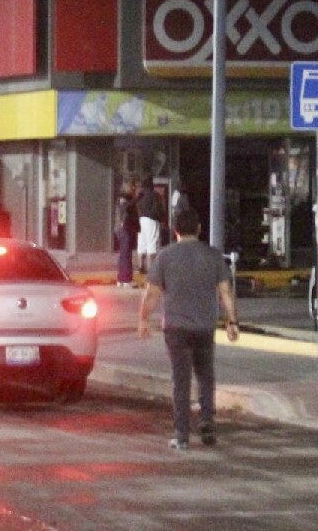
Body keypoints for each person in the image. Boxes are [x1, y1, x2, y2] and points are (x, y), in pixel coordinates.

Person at [138, 206, 240, 450]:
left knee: (181, 381)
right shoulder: (213, 256)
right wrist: (232, 321)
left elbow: (152, 293)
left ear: (175, 230)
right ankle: (207, 423)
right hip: (204, 326)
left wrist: (143, 319)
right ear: (199, 229)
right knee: (205, 376)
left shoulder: (165, 256)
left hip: (176, 328)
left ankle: (182, 435)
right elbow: (226, 291)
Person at [135, 176, 165, 273]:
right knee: (152, 243)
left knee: (141, 243)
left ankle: (140, 266)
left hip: (141, 220)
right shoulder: (154, 195)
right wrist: (160, 218)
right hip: (151, 220)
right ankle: (151, 269)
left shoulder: (140, 195)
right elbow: (158, 208)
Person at [114, 178, 140, 288]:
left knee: (124, 254)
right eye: (132, 186)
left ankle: (121, 279)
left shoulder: (125, 198)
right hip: (124, 228)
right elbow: (126, 207)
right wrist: (137, 198)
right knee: (126, 255)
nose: (134, 188)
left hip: (124, 228)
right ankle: (126, 280)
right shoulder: (124, 198)